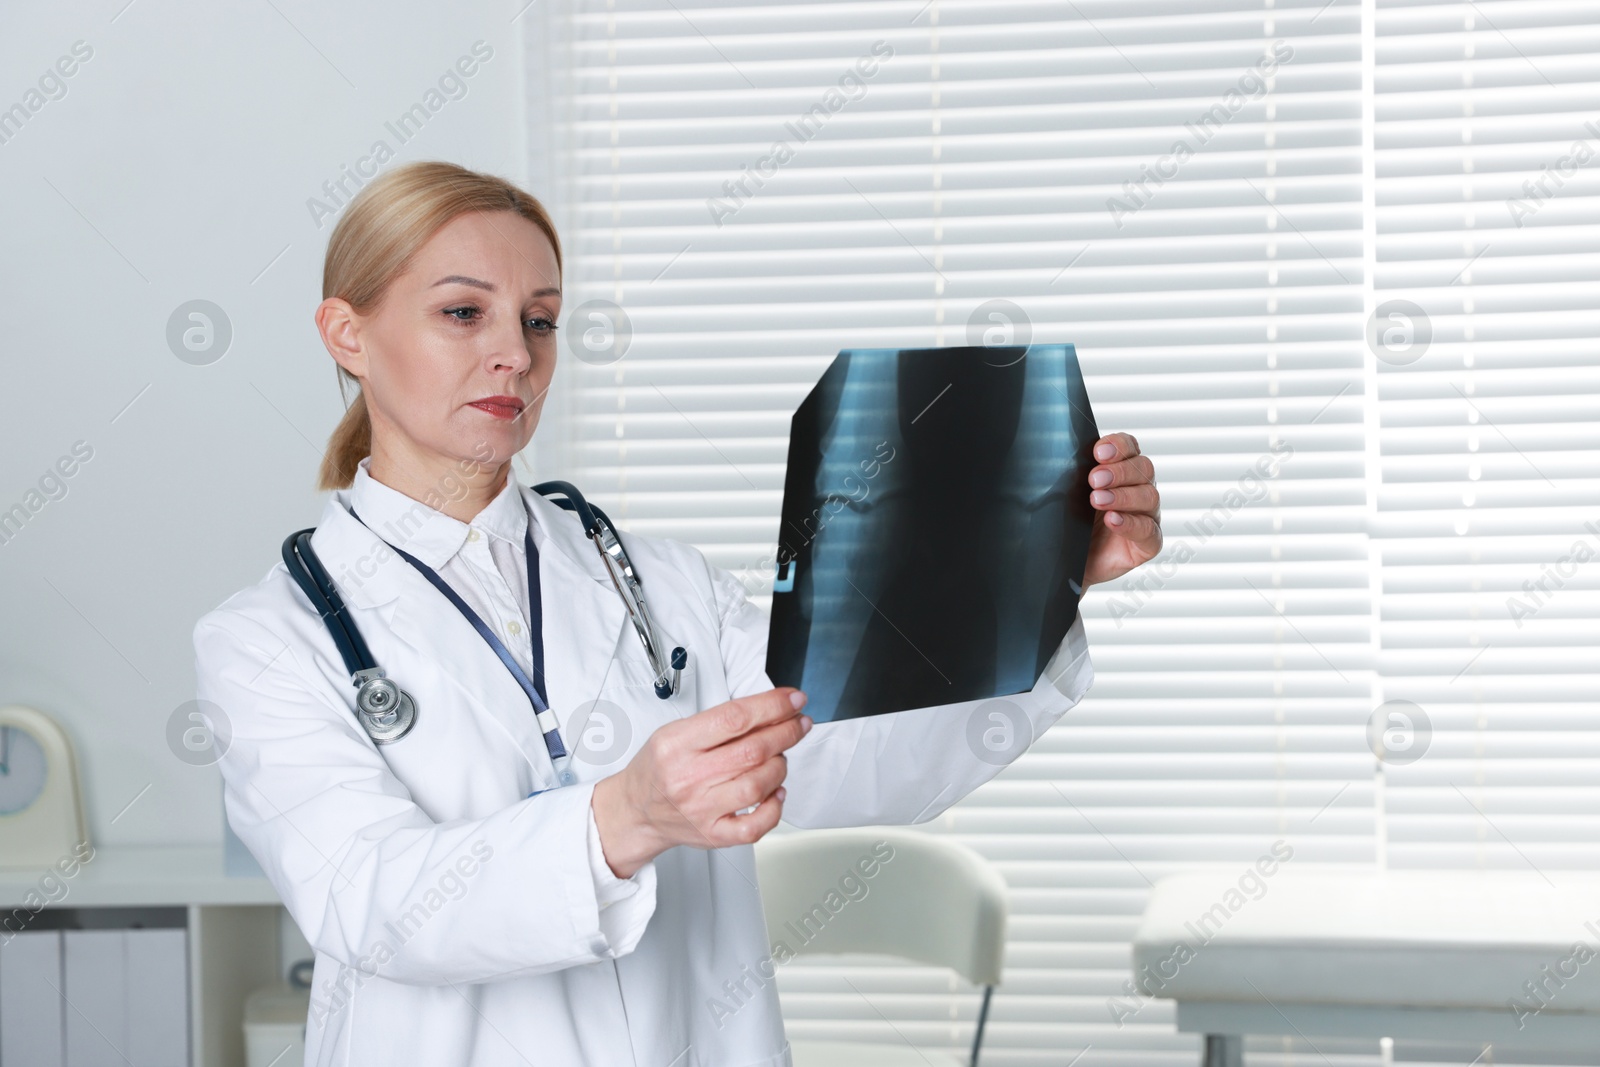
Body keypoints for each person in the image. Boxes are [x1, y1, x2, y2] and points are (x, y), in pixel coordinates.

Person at [192, 161, 1162, 1067]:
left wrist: (1038, 578)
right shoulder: (269, 639)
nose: (513, 356)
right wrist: (622, 816)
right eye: (462, 312)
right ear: (346, 333)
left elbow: (844, 758)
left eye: (540, 320)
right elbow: (370, 901)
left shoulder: (660, 585)